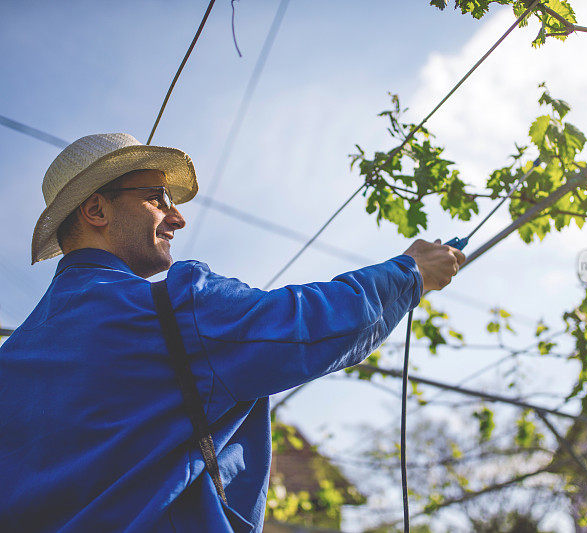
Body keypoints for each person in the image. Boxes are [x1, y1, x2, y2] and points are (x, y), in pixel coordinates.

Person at [0, 133, 465, 532]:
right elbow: (309, 322)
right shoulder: (170, 309)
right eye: (156, 197)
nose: (177, 217)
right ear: (96, 210)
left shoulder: (12, 361)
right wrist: (411, 272)